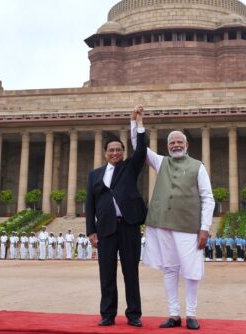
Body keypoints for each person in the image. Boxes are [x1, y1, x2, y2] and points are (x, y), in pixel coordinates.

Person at [133, 107, 215, 330]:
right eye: (172, 143)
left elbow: (208, 198)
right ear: (167, 146)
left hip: (188, 227)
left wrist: (205, 228)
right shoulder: (161, 162)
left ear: (186, 145)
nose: (176, 145)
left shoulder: (198, 167)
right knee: (169, 269)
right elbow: (139, 148)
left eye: (180, 142)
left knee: (191, 270)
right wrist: (137, 124)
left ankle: (191, 314)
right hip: (162, 224)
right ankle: (173, 314)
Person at [85, 106, 148, 327]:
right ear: (105, 153)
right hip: (105, 229)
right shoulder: (95, 175)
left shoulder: (129, 167)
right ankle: (108, 314)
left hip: (129, 226)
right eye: (111, 150)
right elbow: (90, 204)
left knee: (131, 272)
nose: (115, 153)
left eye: (118, 150)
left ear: (123, 152)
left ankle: (133, 315)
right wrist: (90, 230)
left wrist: (138, 124)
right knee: (106, 274)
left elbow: (141, 150)